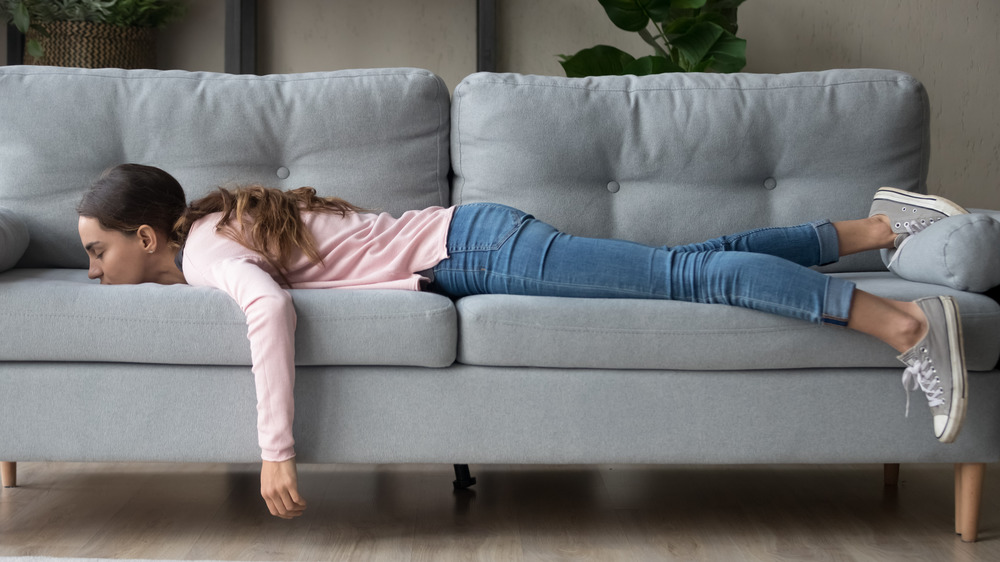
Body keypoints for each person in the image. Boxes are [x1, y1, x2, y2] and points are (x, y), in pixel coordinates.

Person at [76, 164, 969, 519]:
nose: (91, 269)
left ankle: (908, 326)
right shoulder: (207, 232)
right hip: (474, 241)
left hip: (476, 248)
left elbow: (268, 312)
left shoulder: (202, 254)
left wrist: (276, 452)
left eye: (97, 251)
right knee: (678, 262)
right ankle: (879, 230)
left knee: (683, 280)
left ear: (147, 237)